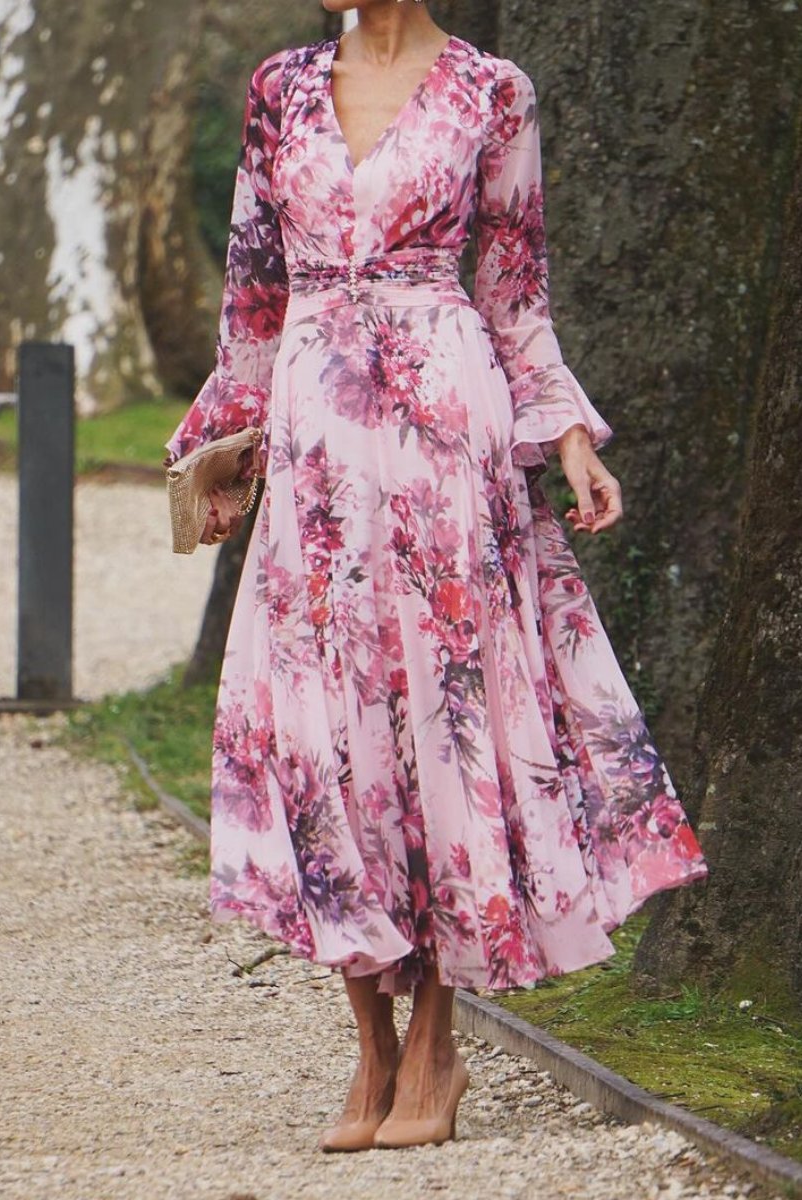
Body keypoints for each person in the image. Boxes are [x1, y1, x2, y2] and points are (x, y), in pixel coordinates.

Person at [164, 0, 709, 1153]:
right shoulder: (278, 88)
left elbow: (516, 291)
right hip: (314, 444)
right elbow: (252, 299)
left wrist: (567, 439)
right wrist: (217, 448)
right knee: (328, 740)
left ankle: (436, 1044)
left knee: (450, 731)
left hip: (446, 441)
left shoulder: (492, 91)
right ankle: (365, 1047)